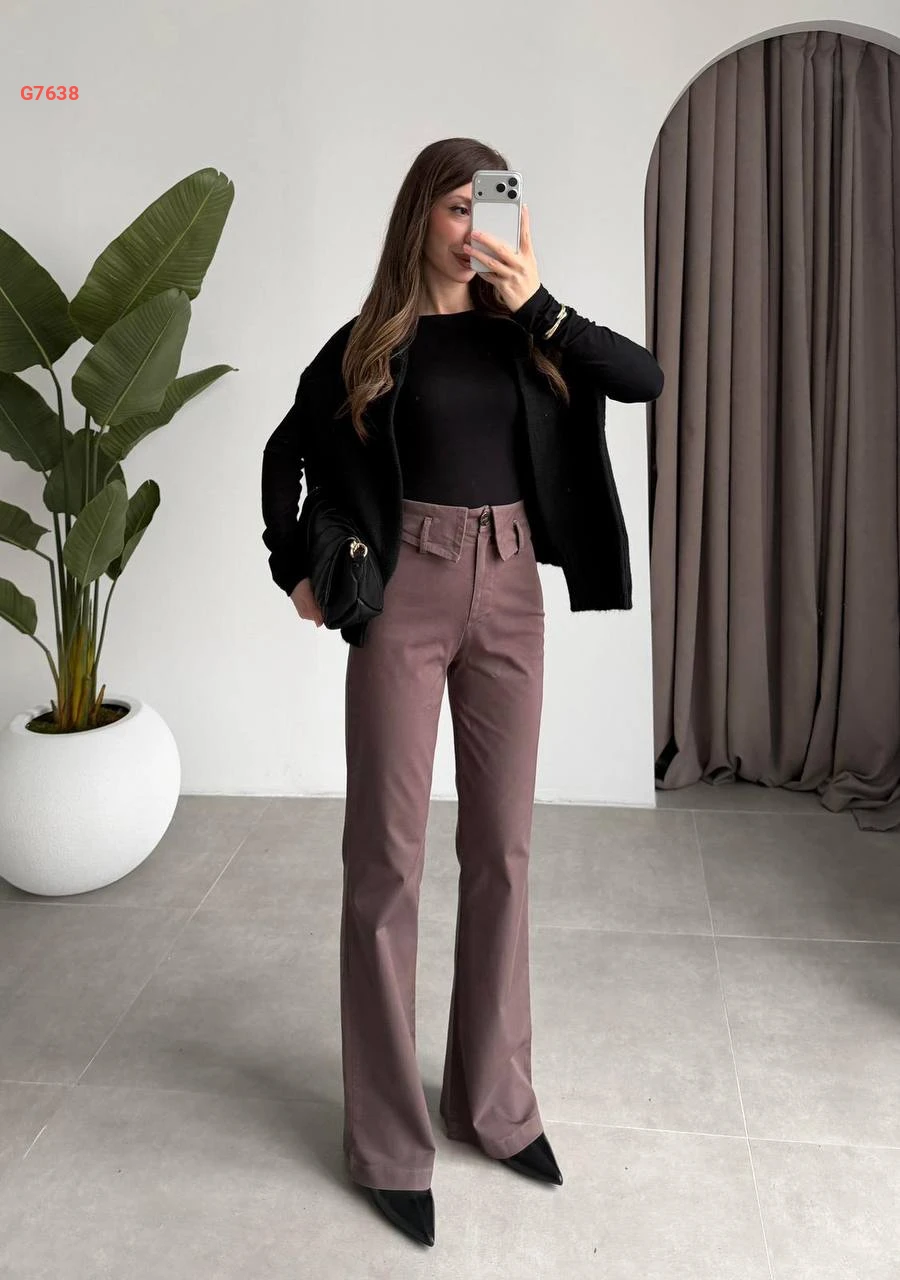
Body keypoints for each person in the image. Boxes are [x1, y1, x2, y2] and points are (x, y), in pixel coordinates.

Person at [261, 137, 665, 1248]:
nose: (476, 227)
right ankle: (389, 1144)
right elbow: (285, 453)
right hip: (408, 593)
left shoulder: (530, 333)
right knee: (384, 860)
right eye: (457, 207)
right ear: (420, 220)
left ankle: (492, 1102)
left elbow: (644, 378)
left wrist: (541, 305)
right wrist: (296, 567)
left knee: (503, 852)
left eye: (492, 206)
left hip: (512, 591)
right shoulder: (371, 342)